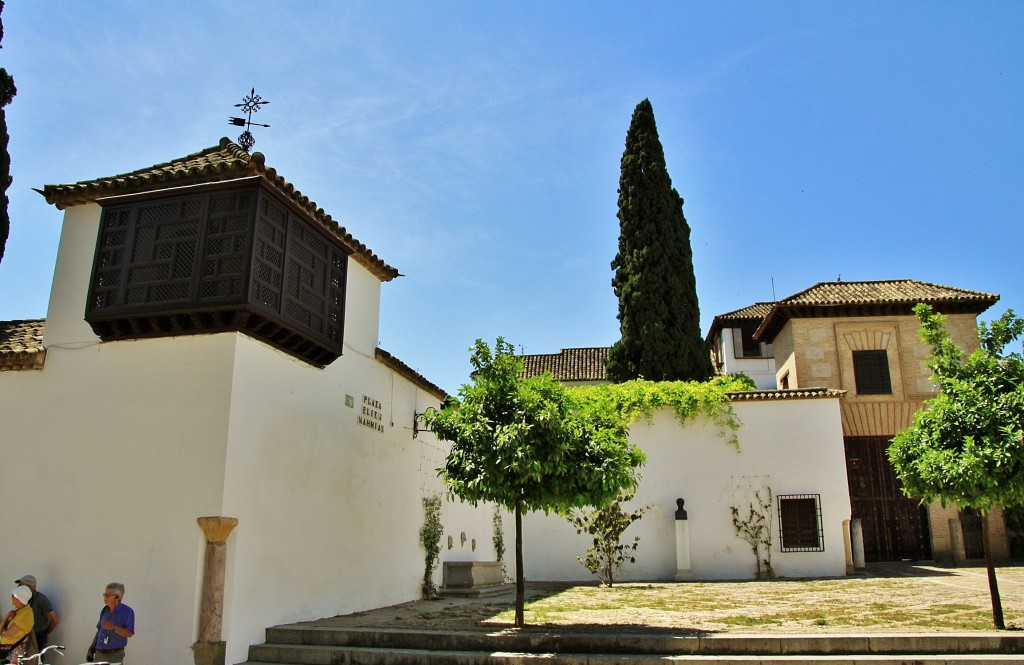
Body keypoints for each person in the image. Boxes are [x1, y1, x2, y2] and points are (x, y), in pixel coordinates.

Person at [86, 583, 134, 664]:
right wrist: (91, 649)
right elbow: (99, 631)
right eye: (104, 595)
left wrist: (113, 627)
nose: (105, 597)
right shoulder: (105, 610)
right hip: (99, 654)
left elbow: (129, 633)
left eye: (107, 595)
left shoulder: (128, 612)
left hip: (114, 655)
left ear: (117, 597)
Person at [14, 575, 58, 650]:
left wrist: (46, 633)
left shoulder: (41, 599)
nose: (19, 587)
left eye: (21, 585)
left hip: (37, 636)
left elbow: (54, 620)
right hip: (24, 636)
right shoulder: (23, 598)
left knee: (36, 659)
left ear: (30, 586)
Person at [0, 586, 35, 663]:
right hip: (7, 650)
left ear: (19, 599)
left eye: (13, 596)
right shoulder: (20, 611)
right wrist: (7, 616)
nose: (11, 597)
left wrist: (2, 632)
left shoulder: (25, 614)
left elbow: (7, 634)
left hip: (13, 651)